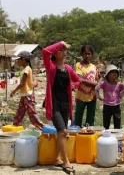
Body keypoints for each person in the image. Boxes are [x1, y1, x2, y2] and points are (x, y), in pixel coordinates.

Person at [43, 41, 83, 174]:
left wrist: (72, 86)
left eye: (65, 50)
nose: (64, 52)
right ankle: (66, 162)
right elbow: (45, 51)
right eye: (61, 50)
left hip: (65, 104)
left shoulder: (68, 68)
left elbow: (78, 80)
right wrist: (59, 43)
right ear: (55, 52)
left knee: (62, 132)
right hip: (53, 104)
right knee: (62, 132)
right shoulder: (51, 66)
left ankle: (57, 158)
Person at [10, 51, 44, 130]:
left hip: (27, 96)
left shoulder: (26, 70)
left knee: (33, 115)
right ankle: (15, 127)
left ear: (24, 60)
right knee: (19, 114)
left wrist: (14, 91)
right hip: (24, 95)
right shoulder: (27, 69)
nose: (18, 62)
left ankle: (44, 129)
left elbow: (22, 84)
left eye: (19, 60)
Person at [95, 64, 124, 129]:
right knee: (106, 123)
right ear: (107, 75)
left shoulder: (119, 84)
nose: (114, 74)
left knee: (117, 122)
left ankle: (117, 135)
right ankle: (106, 135)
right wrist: (99, 97)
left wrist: (120, 96)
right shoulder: (104, 83)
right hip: (107, 106)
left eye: (116, 72)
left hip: (116, 106)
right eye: (112, 72)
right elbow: (96, 88)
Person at [74, 45, 98, 127]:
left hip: (92, 96)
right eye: (85, 54)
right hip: (81, 96)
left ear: (92, 54)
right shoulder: (78, 65)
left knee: (90, 118)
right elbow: (81, 79)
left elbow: (100, 77)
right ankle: (77, 133)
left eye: (89, 54)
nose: (87, 56)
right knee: (78, 117)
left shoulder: (94, 67)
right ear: (81, 54)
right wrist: (95, 84)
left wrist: (98, 83)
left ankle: (88, 135)